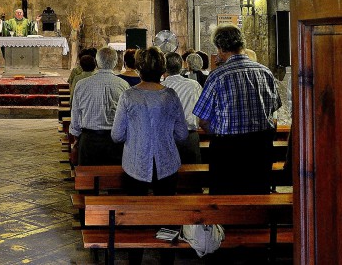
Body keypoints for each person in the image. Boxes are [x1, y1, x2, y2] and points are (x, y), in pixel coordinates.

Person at [111, 47, 186, 265]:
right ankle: (166, 259)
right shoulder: (170, 95)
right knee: (167, 215)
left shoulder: (129, 95)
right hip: (166, 162)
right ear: (162, 69)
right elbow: (182, 134)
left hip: (136, 163)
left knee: (136, 215)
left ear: (139, 69)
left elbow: (116, 135)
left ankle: (135, 259)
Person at [193, 24, 282, 194]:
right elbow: (273, 108)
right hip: (260, 148)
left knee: (225, 199)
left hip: (228, 151)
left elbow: (203, 120)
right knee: (258, 198)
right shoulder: (265, 72)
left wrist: (220, 134)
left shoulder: (217, 76)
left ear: (220, 48)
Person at [69, 47, 128, 166]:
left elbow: (75, 115)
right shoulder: (124, 85)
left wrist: (76, 137)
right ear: (116, 62)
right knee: (113, 176)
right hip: (115, 142)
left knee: (88, 176)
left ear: (96, 62)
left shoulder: (82, 85)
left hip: (89, 140)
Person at [162, 52, 203, 164]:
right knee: (192, 173)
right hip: (189, 137)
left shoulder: (160, 87)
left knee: (167, 171)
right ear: (181, 66)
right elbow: (202, 110)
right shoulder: (194, 85)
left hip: (166, 137)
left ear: (164, 68)